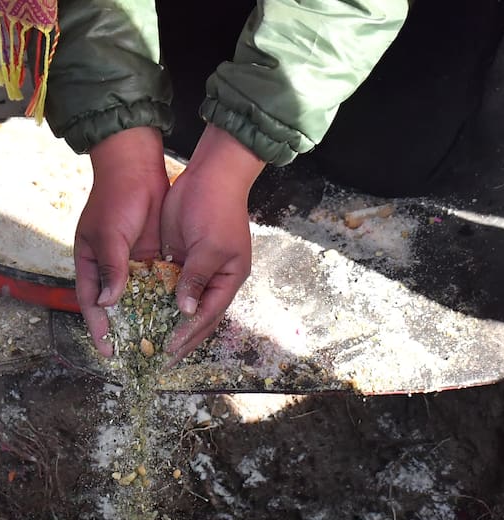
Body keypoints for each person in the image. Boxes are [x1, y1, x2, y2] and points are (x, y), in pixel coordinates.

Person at [43, 0, 411, 360]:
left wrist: (227, 169)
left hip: (359, 62)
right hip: (181, 43)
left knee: (386, 162)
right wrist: (125, 158)